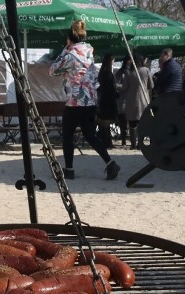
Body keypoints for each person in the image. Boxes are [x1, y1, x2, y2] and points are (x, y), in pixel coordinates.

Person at [49, 20, 120, 181]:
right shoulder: (89, 52)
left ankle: (69, 170)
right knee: (90, 135)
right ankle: (110, 164)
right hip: (90, 101)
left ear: (70, 39)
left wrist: (64, 49)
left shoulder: (70, 54)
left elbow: (52, 70)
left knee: (67, 135)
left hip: (75, 101)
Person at [121, 54, 152, 150]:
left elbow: (124, 87)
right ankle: (141, 144)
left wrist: (117, 85)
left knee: (132, 124)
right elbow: (151, 85)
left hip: (131, 101)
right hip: (144, 99)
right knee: (142, 123)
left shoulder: (129, 72)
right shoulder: (146, 70)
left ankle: (133, 144)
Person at [96, 53, 118, 149]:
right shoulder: (108, 72)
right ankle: (107, 142)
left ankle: (104, 140)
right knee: (106, 122)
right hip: (108, 99)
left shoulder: (102, 72)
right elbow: (111, 87)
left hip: (103, 98)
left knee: (103, 122)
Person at [113, 56, 130, 147]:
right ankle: (123, 139)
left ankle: (132, 139)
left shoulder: (133, 71)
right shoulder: (120, 72)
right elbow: (116, 84)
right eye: (128, 61)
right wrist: (124, 87)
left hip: (130, 99)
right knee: (123, 120)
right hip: (122, 99)